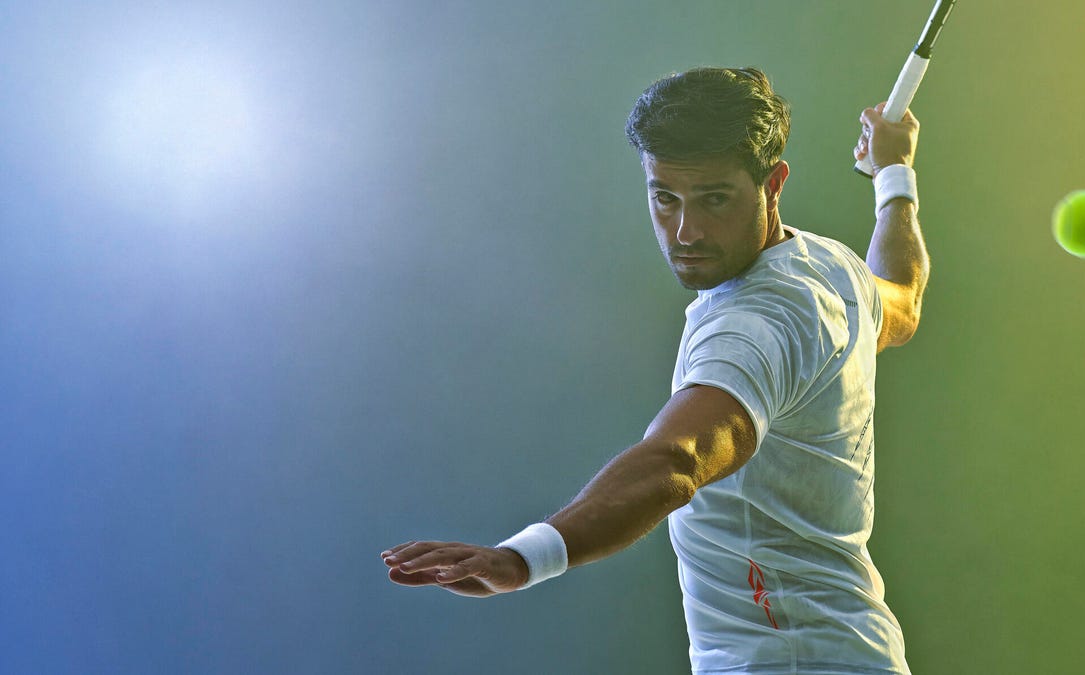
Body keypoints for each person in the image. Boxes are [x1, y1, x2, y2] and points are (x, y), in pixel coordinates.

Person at [382, 66, 929, 675]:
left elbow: (678, 459)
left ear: (772, 185)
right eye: (665, 197)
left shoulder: (753, 326)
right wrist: (893, 176)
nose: (686, 231)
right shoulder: (829, 268)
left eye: (714, 199)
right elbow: (901, 300)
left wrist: (524, 558)